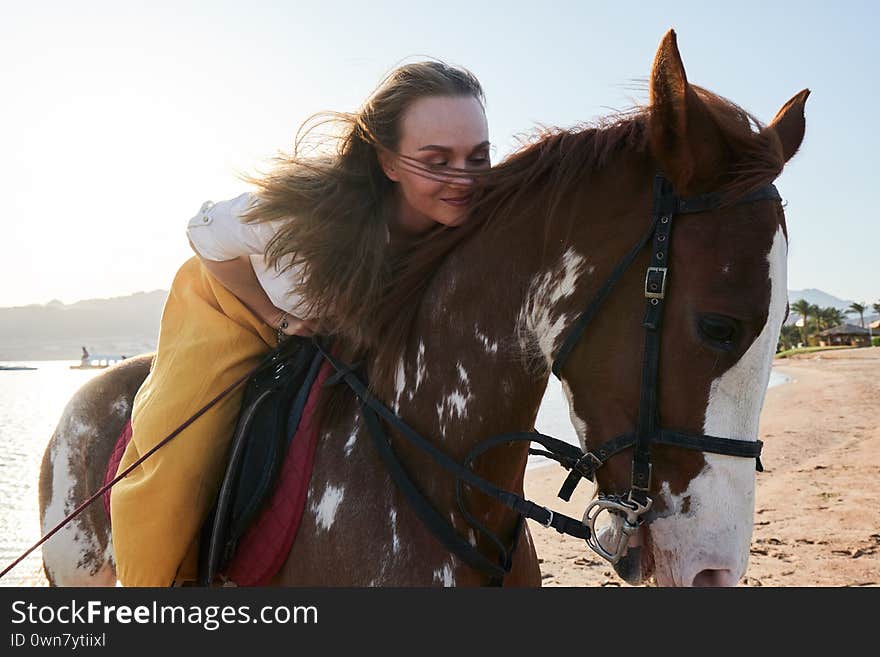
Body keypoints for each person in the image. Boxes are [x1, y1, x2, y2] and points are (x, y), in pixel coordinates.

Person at [110, 61, 492, 586]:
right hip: (235, 303)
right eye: (436, 160)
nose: (463, 178)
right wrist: (275, 315)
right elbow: (205, 235)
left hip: (339, 324)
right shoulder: (308, 210)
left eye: (478, 157)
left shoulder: (473, 211)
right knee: (182, 456)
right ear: (388, 162)